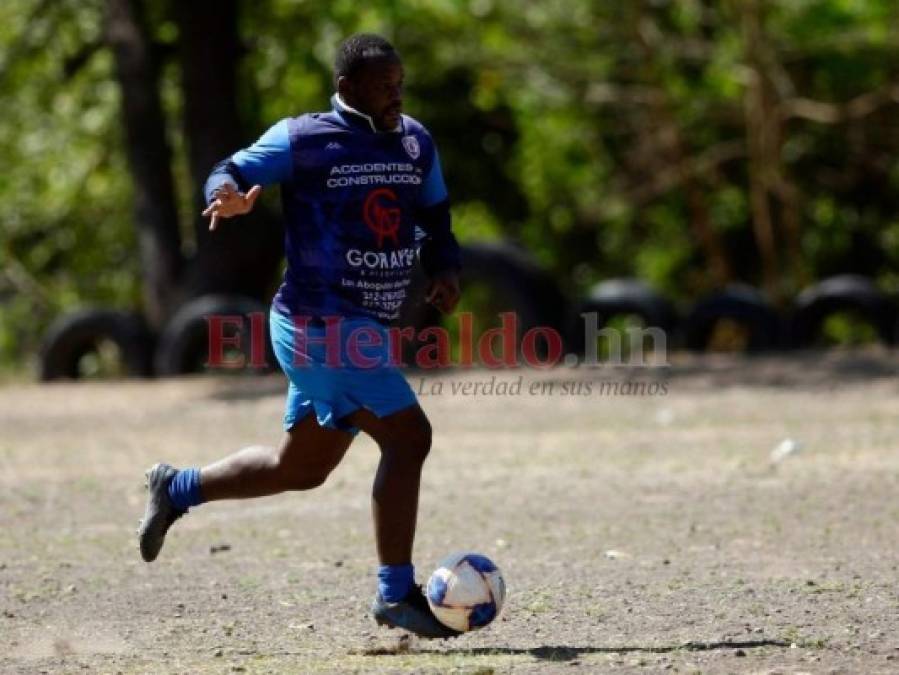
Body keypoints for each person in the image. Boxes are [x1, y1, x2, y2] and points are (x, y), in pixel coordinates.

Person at [137, 33, 462, 640]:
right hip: (317, 324)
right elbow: (228, 169)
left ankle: (175, 488)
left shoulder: (415, 140)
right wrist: (224, 196)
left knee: (301, 469)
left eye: (400, 83)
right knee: (410, 437)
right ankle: (396, 594)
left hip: (358, 328)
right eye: (384, 85)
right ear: (347, 89)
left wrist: (445, 266)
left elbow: (435, 212)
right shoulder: (305, 139)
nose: (397, 94)